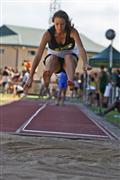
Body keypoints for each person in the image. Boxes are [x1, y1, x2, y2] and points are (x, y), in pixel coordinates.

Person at [24, 10, 91, 93]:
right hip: (54, 60)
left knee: (68, 57)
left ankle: (70, 80)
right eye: (57, 24)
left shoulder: (72, 32)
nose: (59, 27)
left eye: (62, 24)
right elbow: (38, 55)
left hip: (70, 58)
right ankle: (48, 74)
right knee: (53, 58)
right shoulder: (48, 34)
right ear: (53, 22)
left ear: (66, 23)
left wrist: (85, 62)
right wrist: (30, 77)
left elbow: (81, 47)